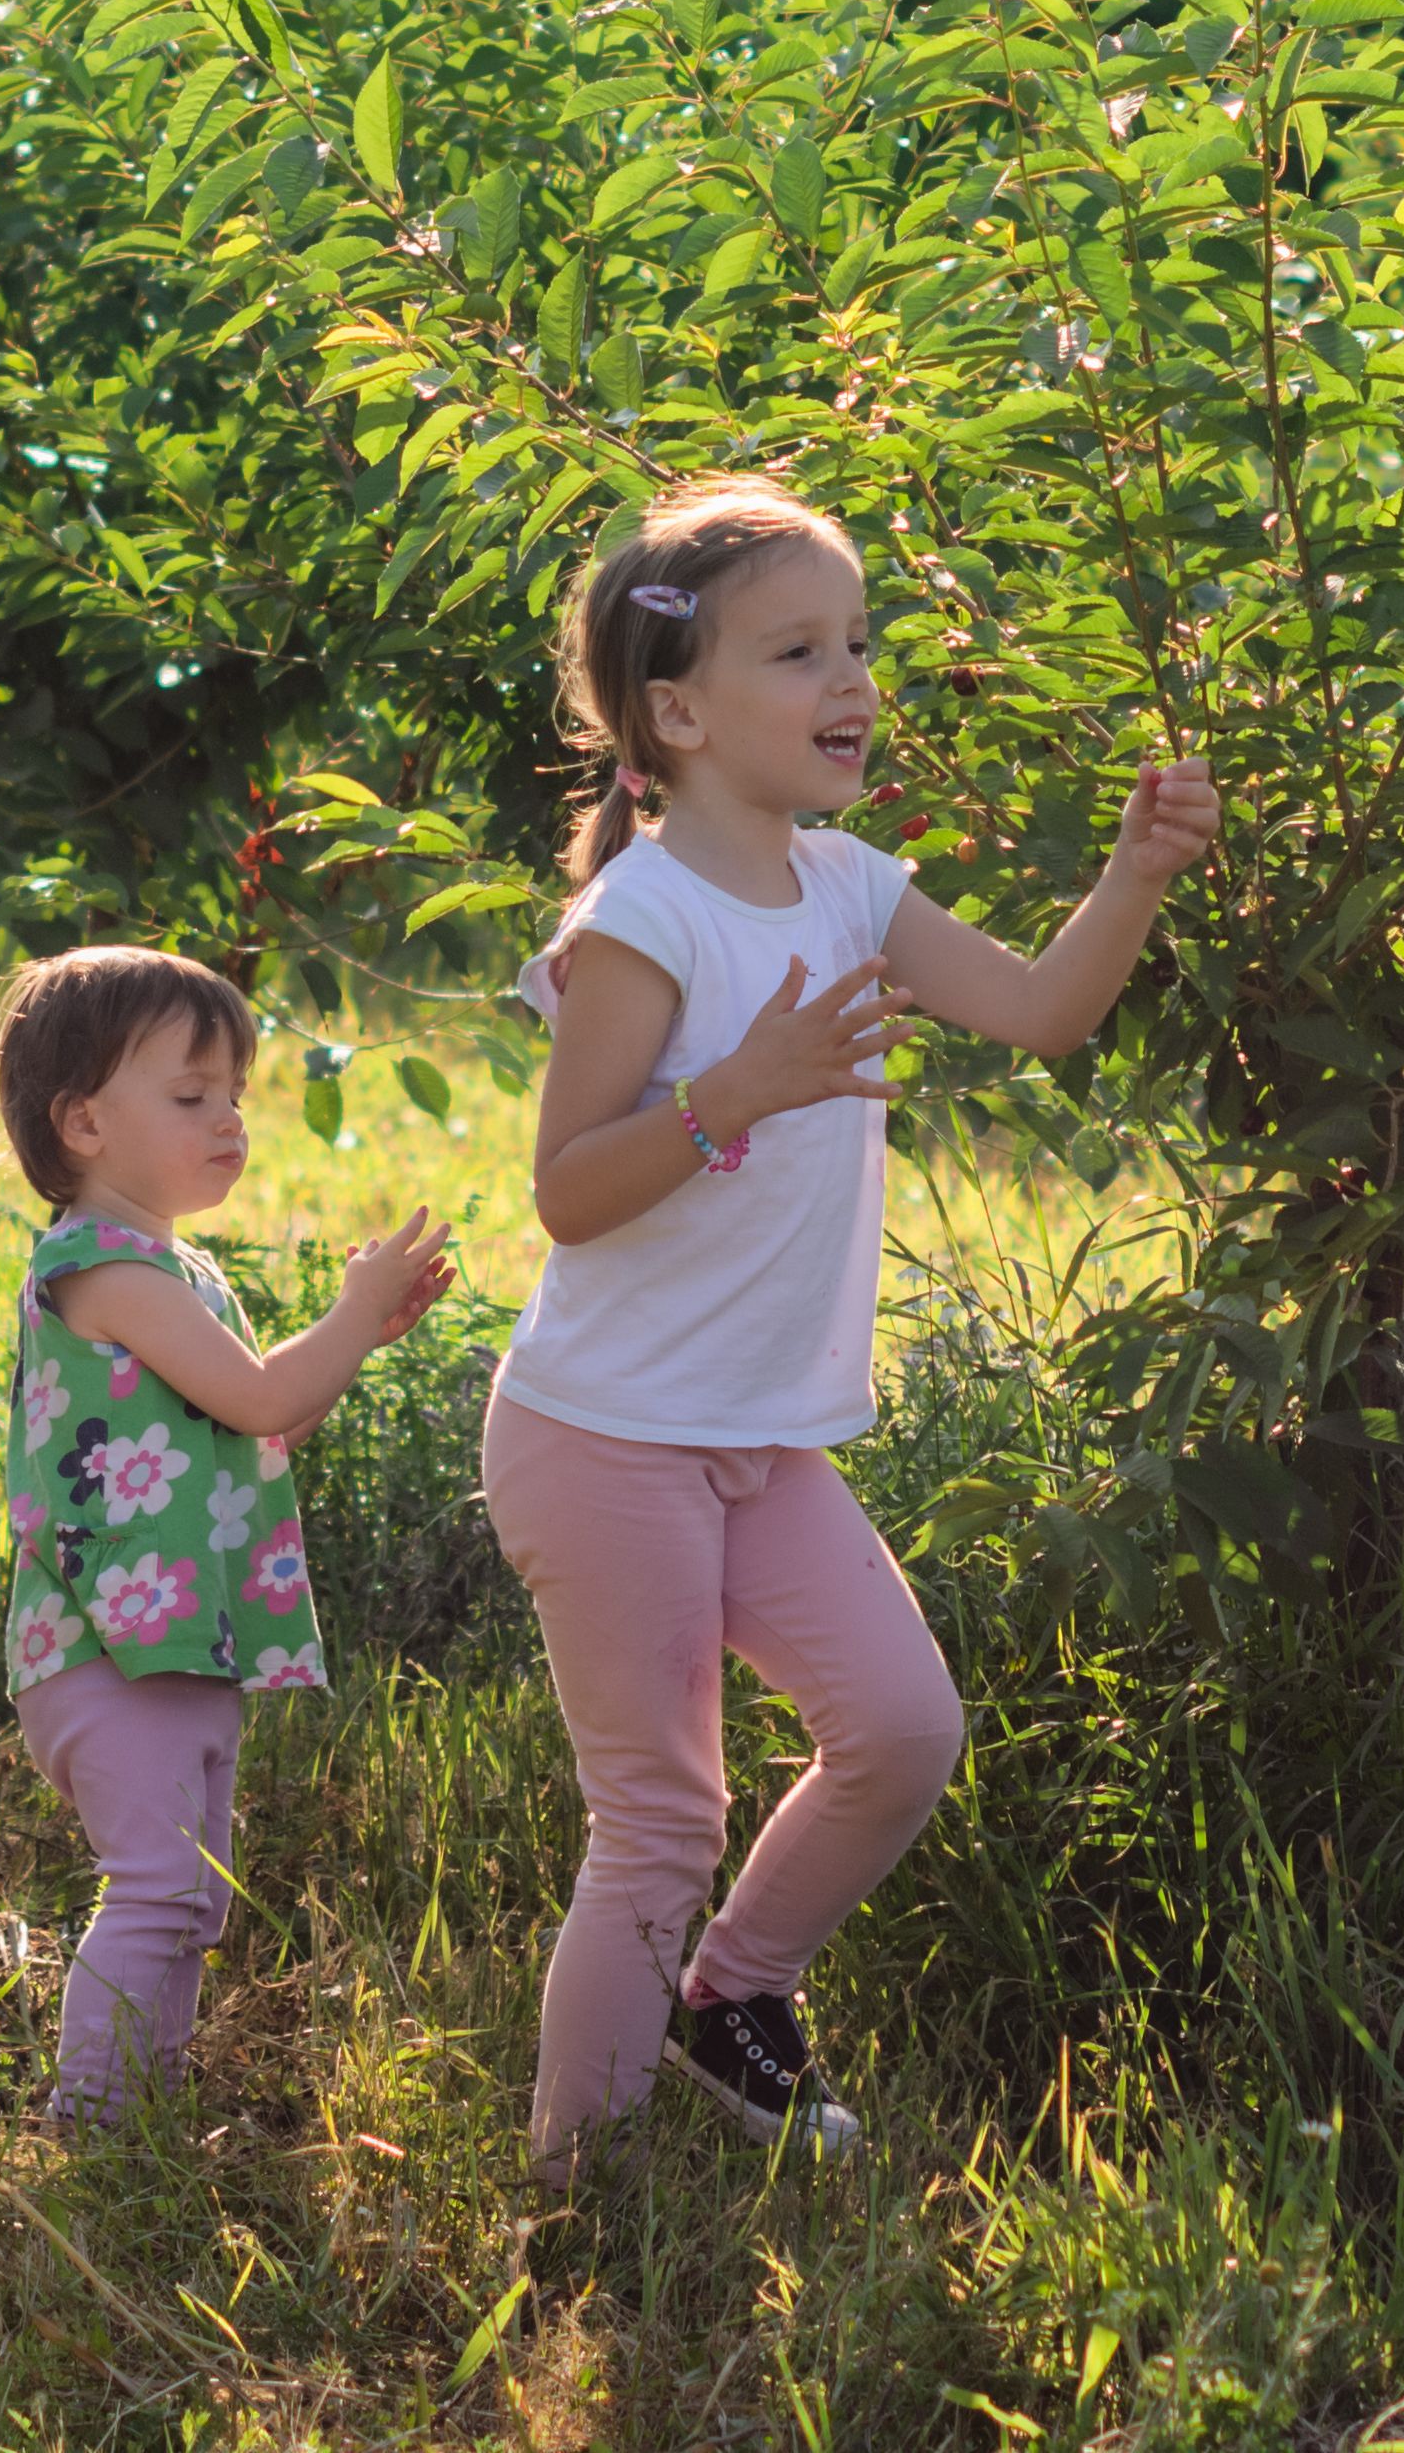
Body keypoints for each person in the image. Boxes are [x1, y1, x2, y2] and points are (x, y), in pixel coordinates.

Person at [494, 473, 1221, 2167]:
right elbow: (568, 1190)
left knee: (900, 1733)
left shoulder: (852, 886)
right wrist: (731, 1093)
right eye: (800, 652)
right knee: (662, 1823)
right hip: (606, 1441)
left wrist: (1134, 871)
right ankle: (577, 2184)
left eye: (859, 645)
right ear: (677, 713)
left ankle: (728, 1999)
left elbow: (1045, 1014)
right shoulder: (644, 922)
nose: (855, 684)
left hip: (754, 1441)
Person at [0, 944, 455, 2119]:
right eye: (192, 1095)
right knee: (154, 1887)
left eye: (236, 1095)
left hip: (180, 1639)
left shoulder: (171, 1265)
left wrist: (358, 1339)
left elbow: (266, 1410)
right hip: (109, 1646)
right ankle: (93, 2132)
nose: (229, 1119)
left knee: (193, 1899)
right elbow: (259, 1395)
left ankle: (148, 2112)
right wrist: (346, 1315)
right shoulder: (102, 1264)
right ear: (84, 1122)